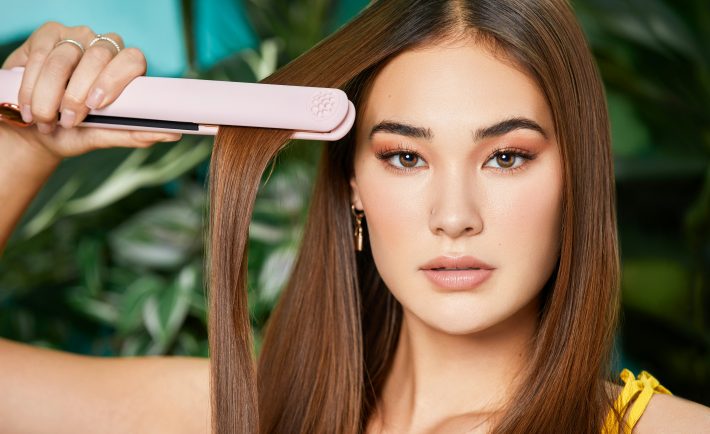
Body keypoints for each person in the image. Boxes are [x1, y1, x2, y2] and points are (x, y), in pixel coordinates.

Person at [1, 2, 709, 434]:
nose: (454, 216)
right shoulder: (231, 415)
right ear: (352, 187)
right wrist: (20, 149)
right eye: (405, 158)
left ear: (575, 178)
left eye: (507, 156)